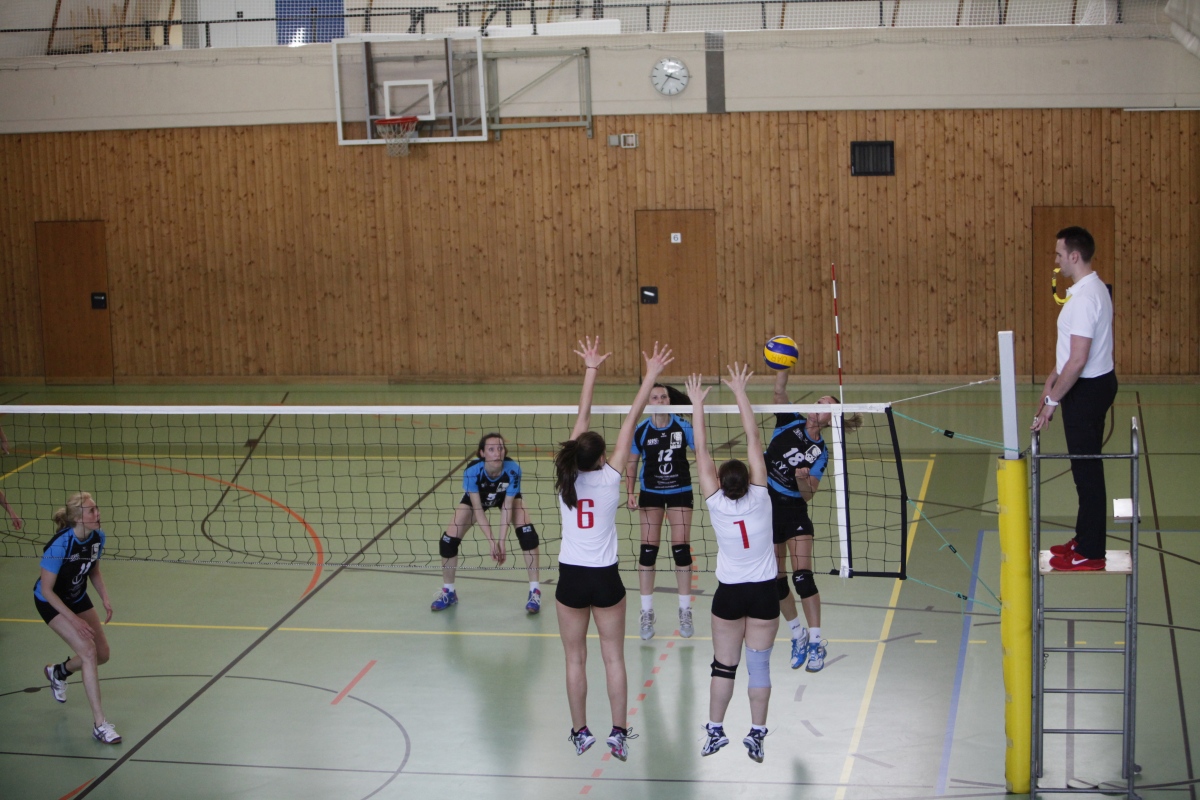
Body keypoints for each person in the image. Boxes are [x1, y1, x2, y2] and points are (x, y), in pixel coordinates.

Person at [555, 336, 672, 761]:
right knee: (613, 659)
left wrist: (591, 369)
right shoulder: (609, 478)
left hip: (571, 577)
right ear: (603, 457)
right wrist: (651, 375)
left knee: (574, 660)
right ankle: (618, 733)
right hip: (605, 578)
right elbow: (633, 417)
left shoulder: (566, 477)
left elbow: (582, 415)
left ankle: (579, 732)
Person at [687, 365, 779, 763]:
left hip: (729, 595)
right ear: (749, 479)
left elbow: (701, 450)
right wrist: (741, 391)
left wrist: (697, 404)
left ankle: (715, 731)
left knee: (724, 667)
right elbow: (754, 437)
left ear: (721, 483)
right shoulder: (761, 495)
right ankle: (756, 734)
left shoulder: (716, 503)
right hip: (764, 595)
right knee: (759, 668)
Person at [1033, 226, 1117, 571]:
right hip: (1092, 386)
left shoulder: (1083, 300)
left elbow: (1079, 359)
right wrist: (1051, 380)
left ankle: (1091, 551)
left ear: (1074, 255)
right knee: (1084, 469)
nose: (1056, 260)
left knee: (1086, 472)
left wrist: (1052, 403)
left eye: (1058, 254)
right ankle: (1084, 539)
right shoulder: (1093, 288)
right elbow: (1072, 352)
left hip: (1086, 391)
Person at [766, 367, 860, 672]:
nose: (818, 406)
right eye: (818, 402)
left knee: (802, 577)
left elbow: (808, 495)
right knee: (775, 579)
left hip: (794, 510)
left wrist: (802, 479)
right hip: (767, 508)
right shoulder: (789, 421)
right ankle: (798, 634)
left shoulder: (821, 452)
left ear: (831, 420)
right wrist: (782, 368)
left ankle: (817, 642)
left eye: (825, 406)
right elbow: (779, 392)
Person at [34, 492, 120, 744]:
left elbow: (94, 570)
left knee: (102, 654)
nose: (97, 513)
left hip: (77, 595)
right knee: (88, 651)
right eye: (91, 510)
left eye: (96, 508)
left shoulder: (97, 537)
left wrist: (104, 597)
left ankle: (58, 672)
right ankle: (100, 725)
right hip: (51, 601)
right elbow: (47, 591)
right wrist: (74, 620)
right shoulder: (60, 545)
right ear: (78, 518)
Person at [430, 433, 542, 613]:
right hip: (478, 500)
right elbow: (478, 509)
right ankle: (449, 592)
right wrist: (491, 542)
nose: (497, 453)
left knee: (528, 535)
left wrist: (502, 542)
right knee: (448, 542)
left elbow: (507, 506)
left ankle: (534, 591)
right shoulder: (472, 471)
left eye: (500, 448)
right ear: (482, 453)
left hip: (506, 497)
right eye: (491, 449)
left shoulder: (513, 470)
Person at [624, 383, 696, 640]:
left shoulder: (683, 426)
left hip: (680, 490)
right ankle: (646, 612)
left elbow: (702, 453)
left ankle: (685, 610)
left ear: (669, 400)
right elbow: (631, 463)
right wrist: (630, 492)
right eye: (654, 397)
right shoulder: (641, 429)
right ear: (648, 402)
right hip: (651, 492)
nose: (659, 400)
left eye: (663, 397)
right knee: (647, 551)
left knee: (681, 550)